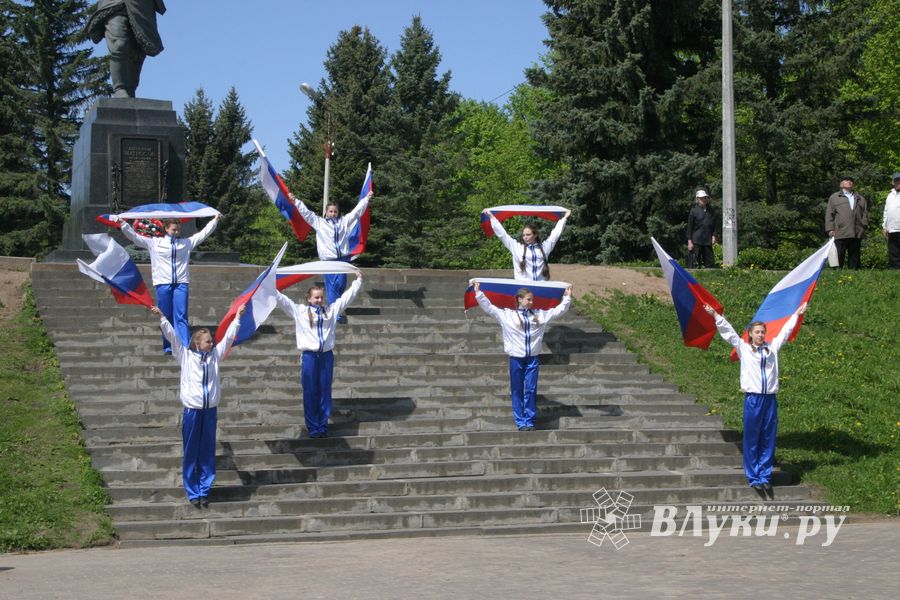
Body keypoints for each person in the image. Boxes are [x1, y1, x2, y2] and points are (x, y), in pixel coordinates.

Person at [703, 301, 807, 499]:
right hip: (753, 400)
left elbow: (785, 331)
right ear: (750, 334)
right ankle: (753, 476)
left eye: (762, 332)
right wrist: (715, 316)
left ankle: (765, 475)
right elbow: (729, 332)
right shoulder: (744, 348)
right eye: (757, 332)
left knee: (768, 437)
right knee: (752, 438)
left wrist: (797, 314)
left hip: (770, 400)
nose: (760, 335)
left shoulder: (772, 348)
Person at [150, 302, 244, 508]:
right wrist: (163, 319)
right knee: (192, 451)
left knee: (207, 451)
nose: (211, 344)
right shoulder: (186, 356)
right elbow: (173, 338)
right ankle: (193, 491)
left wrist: (237, 318)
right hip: (192, 411)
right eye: (208, 341)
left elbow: (228, 339)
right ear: (197, 343)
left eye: (211, 341)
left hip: (210, 411)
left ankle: (205, 489)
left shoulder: (215, 357)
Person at [473, 282, 572, 431]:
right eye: (528, 299)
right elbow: (490, 308)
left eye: (532, 300)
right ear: (519, 299)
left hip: (532, 358)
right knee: (517, 390)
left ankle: (530, 420)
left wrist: (567, 298)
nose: (532, 302)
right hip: (516, 359)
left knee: (531, 389)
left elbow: (558, 311)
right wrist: (479, 293)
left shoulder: (539, 315)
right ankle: (520, 421)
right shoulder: (507, 315)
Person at [275, 270, 363, 438]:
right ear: (309, 299)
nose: (319, 300)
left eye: (321, 297)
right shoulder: (299, 311)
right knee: (310, 392)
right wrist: (270, 287)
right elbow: (282, 301)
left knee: (324, 391)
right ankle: (313, 427)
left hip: (326, 357)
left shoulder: (330, 311)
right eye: (316, 297)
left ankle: (322, 426)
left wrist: (357, 281)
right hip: (309, 357)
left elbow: (346, 298)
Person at [118, 214, 220, 354]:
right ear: (166, 229)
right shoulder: (155, 243)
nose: (177, 232)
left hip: (181, 284)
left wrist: (214, 221)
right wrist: (123, 224)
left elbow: (203, 234)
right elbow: (135, 237)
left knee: (181, 316)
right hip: (163, 283)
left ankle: (184, 345)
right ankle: (168, 346)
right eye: (174, 229)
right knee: (165, 316)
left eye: (178, 229)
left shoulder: (186, 243)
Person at [289, 191, 372, 323]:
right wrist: (296, 201)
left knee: (341, 285)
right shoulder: (319, 222)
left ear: (338, 212)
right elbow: (306, 213)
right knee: (332, 286)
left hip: (343, 260)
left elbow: (357, 212)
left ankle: (335, 308)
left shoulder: (344, 222)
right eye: (330, 211)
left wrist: (366, 199)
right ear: (326, 212)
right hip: (329, 261)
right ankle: (335, 313)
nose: (333, 213)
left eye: (335, 211)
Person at [85, 0, 166, 98]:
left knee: (138, 48)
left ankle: (131, 90)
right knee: (119, 43)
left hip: (142, 5)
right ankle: (120, 87)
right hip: (114, 4)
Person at [484, 210, 570, 281]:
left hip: (541, 286)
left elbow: (554, 235)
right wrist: (492, 217)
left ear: (535, 235)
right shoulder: (517, 248)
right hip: (523, 288)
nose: (525, 237)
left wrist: (564, 218)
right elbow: (503, 235)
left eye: (528, 235)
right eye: (524, 235)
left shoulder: (544, 248)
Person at [825, 176, 869, 269]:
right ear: (841, 184)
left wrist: (863, 225)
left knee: (854, 256)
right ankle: (836, 274)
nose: (849, 182)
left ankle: (854, 274)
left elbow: (865, 214)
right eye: (846, 180)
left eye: (851, 181)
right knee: (838, 255)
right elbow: (829, 214)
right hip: (840, 232)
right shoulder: (835, 197)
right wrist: (830, 229)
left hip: (856, 232)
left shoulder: (860, 199)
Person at [686, 189, 717, 268]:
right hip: (696, 241)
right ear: (697, 199)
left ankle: (709, 278)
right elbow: (689, 227)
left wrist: (713, 235)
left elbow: (714, 225)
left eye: (705, 198)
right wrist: (689, 241)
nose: (704, 200)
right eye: (701, 198)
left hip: (707, 241)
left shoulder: (711, 211)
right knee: (695, 263)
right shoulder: (693, 211)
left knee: (710, 263)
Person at [882, 172, 900, 269]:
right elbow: (886, 212)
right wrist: (884, 227)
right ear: (893, 182)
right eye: (896, 180)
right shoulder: (890, 195)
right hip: (892, 229)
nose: (898, 182)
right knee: (893, 252)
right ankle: (895, 271)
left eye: (899, 180)